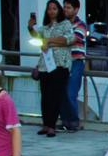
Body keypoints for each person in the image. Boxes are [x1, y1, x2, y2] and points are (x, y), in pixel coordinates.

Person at [27, 0, 73, 137]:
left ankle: (52, 125)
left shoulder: (65, 24)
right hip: (45, 65)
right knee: (45, 96)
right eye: (49, 9)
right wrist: (30, 27)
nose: (52, 11)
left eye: (54, 8)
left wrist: (48, 41)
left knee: (55, 95)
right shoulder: (45, 27)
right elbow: (36, 36)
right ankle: (46, 124)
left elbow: (69, 39)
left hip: (60, 64)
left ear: (58, 10)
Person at [60, 0, 87, 132]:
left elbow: (74, 38)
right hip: (63, 62)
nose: (65, 10)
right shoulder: (61, 24)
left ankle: (74, 121)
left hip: (76, 61)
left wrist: (57, 40)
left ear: (76, 10)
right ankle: (65, 121)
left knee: (71, 92)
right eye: (64, 7)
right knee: (62, 92)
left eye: (69, 7)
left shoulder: (80, 25)